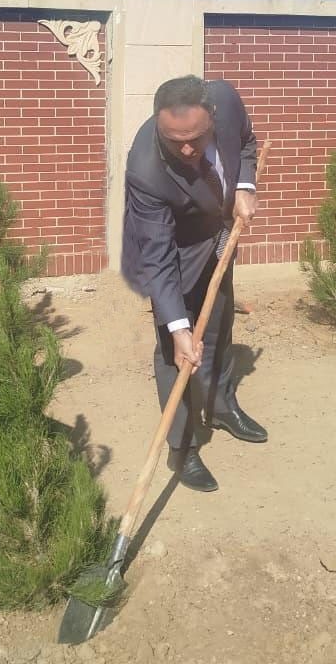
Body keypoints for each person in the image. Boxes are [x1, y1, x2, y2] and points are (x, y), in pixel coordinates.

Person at [122, 76, 264, 492]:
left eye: (196, 139)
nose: (186, 150)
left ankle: (220, 406)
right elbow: (158, 258)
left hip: (220, 233)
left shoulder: (227, 100)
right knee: (177, 352)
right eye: (174, 141)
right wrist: (178, 327)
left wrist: (245, 185)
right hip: (176, 252)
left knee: (218, 326)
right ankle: (182, 447)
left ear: (213, 116)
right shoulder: (146, 169)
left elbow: (247, 142)